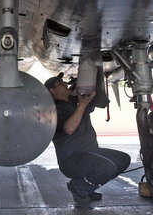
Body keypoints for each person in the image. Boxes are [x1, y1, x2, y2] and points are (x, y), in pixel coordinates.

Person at [45, 73, 131, 207]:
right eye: (60, 83)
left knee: (123, 159)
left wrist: (86, 95)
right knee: (106, 167)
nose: (65, 84)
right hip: (72, 159)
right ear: (53, 91)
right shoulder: (54, 109)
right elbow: (69, 129)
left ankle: (87, 187)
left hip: (90, 153)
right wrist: (82, 105)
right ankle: (79, 189)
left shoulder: (73, 104)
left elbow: (90, 105)